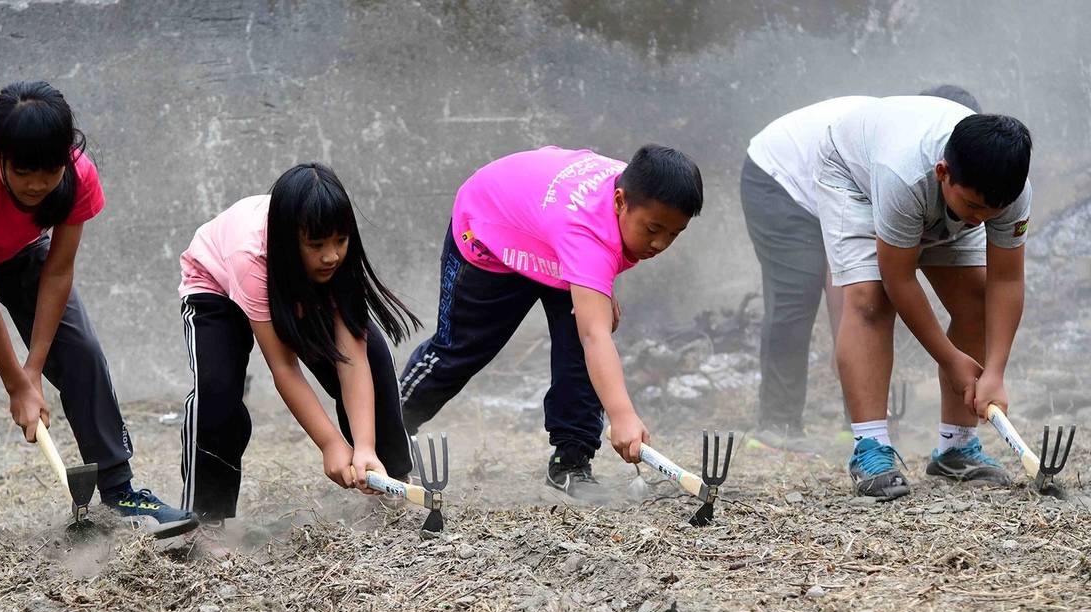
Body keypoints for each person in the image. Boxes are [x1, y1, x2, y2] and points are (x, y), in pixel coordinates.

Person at [0, 81, 196, 560]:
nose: (38, 184)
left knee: (81, 349)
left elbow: (57, 272)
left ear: (67, 156)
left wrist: (34, 368)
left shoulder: (78, 176)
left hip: (17, 247)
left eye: (49, 170)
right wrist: (17, 385)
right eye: (23, 171)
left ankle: (120, 489)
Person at [399, 145, 703, 501]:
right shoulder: (585, 232)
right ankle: (387, 430)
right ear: (620, 202)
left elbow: (592, 261)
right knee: (461, 348)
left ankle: (571, 462)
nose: (660, 243)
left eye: (674, 233)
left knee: (577, 346)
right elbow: (595, 334)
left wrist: (599, 287)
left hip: (551, 238)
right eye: (653, 229)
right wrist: (622, 416)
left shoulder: (636, 187)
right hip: (489, 233)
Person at [177, 163, 420, 551]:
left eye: (340, 241)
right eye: (317, 245)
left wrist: (364, 447)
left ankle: (392, 483)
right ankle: (205, 518)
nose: (331, 256)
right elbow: (284, 366)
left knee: (375, 355)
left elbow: (351, 358)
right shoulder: (250, 255)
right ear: (291, 240)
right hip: (216, 284)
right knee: (217, 392)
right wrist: (329, 444)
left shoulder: (336, 258)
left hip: (294, 281)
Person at [815, 95, 1031, 499]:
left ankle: (956, 447)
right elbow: (899, 280)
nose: (979, 220)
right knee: (869, 299)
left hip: (932, 193)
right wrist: (950, 359)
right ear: (943, 172)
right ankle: (870, 447)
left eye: (991, 211)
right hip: (854, 176)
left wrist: (995, 372)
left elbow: (1006, 281)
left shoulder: (1009, 191)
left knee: (975, 298)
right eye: (973, 205)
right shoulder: (902, 176)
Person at [743, 86, 981, 452]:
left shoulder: (937, 164)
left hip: (847, 184)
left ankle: (857, 423)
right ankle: (778, 424)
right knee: (798, 295)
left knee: (861, 296)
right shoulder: (902, 159)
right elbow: (890, 278)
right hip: (782, 179)